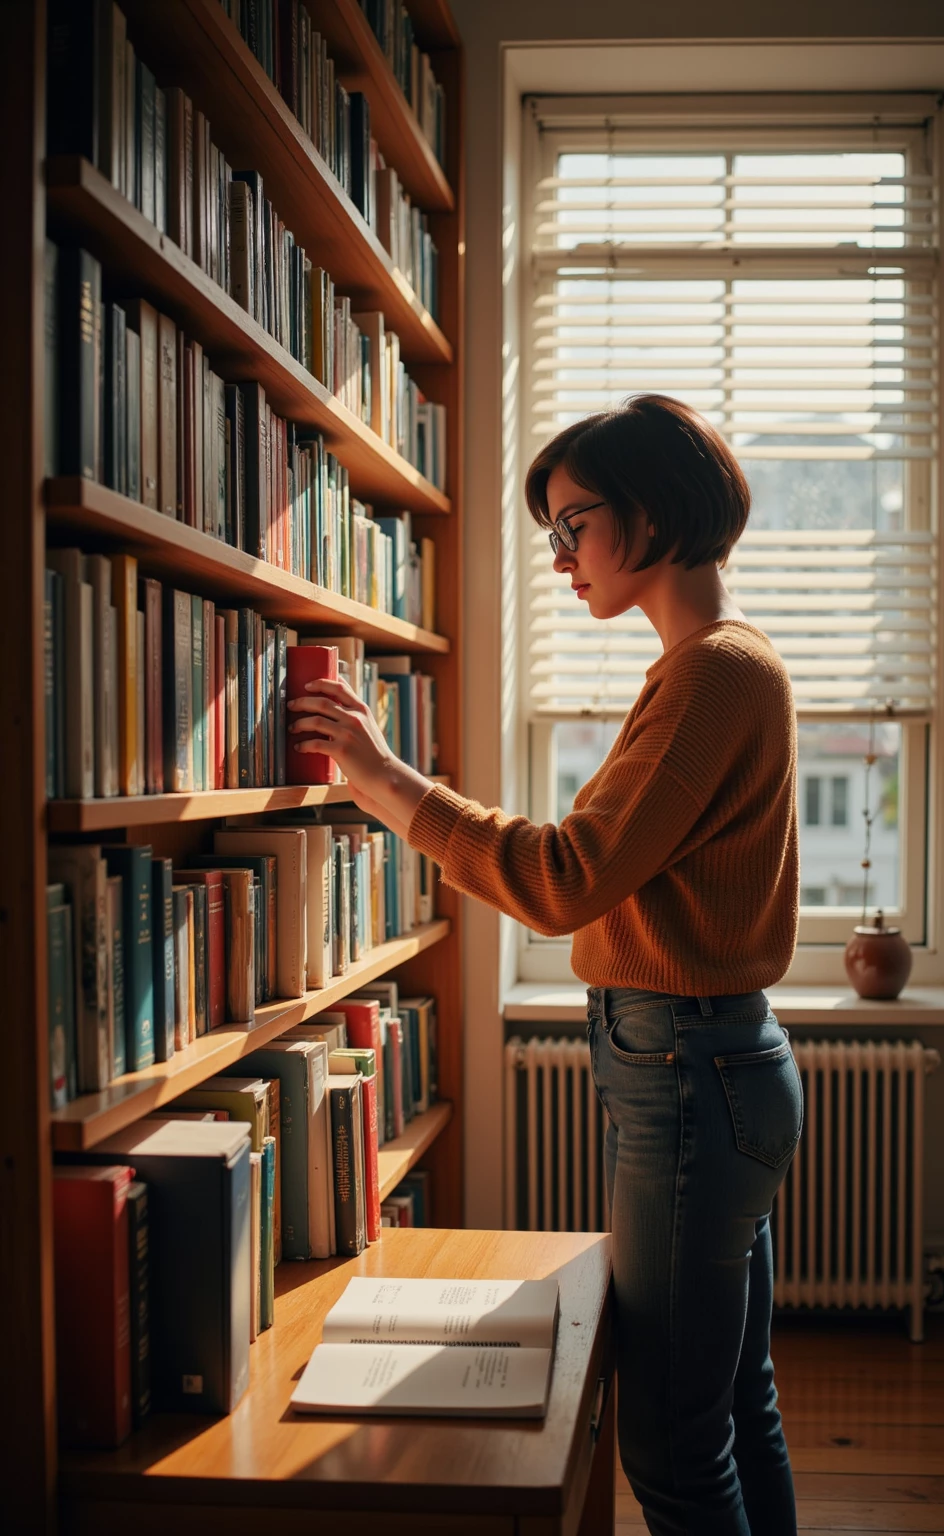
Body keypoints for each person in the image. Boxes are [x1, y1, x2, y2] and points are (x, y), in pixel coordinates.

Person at [288, 393, 805, 1536]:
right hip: (716, 1063)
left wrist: (386, 784)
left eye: (576, 524)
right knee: (731, 1405)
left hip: (688, 1072)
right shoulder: (716, 664)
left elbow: (569, 876)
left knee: (672, 1441)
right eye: (553, 534)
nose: (562, 558)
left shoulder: (710, 674)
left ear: (654, 515)